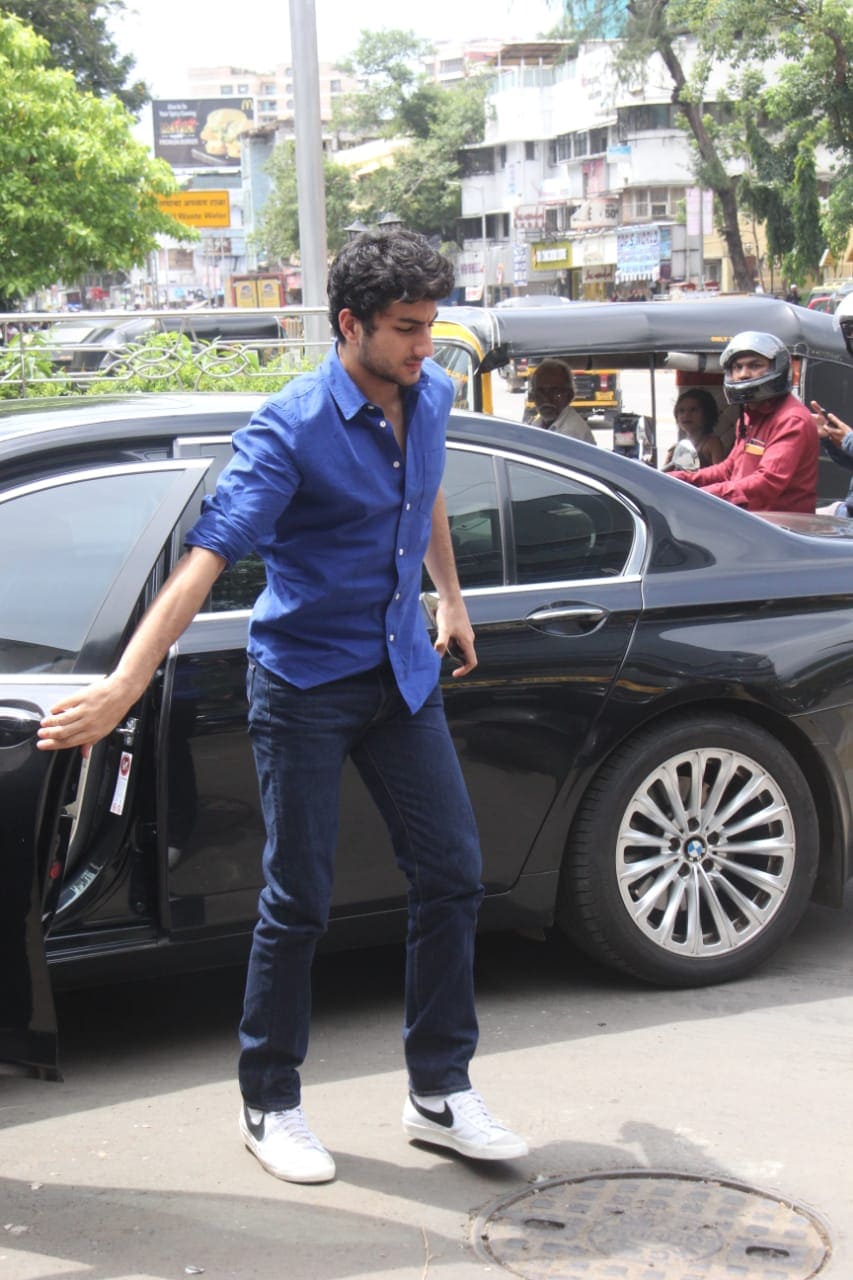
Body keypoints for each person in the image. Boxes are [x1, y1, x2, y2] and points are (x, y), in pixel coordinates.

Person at [36, 229, 528, 1184]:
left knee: (453, 875)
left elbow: (420, 491)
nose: (425, 347)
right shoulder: (289, 427)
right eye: (405, 329)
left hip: (401, 675)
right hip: (304, 684)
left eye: (431, 327)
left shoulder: (429, 393)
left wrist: (452, 598)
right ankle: (270, 1100)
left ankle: (437, 1090)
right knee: (296, 898)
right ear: (349, 325)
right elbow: (208, 557)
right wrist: (124, 686)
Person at [667, 330, 818, 513]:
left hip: (781, 527)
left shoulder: (791, 420)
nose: (743, 375)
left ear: (777, 368)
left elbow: (766, 483)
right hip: (751, 519)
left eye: (755, 366)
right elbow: (729, 469)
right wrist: (678, 479)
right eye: (737, 367)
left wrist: (701, 497)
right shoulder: (749, 415)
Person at [529, 358, 597, 443]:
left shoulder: (571, 432)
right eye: (540, 392)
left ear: (570, 395)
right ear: (533, 396)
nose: (546, 398)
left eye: (555, 392)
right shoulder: (540, 423)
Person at [662, 388, 726, 470]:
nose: (686, 415)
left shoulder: (711, 444)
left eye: (693, 410)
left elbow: (720, 473)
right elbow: (662, 477)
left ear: (707, 414)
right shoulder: (675, 448)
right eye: (681, 411)